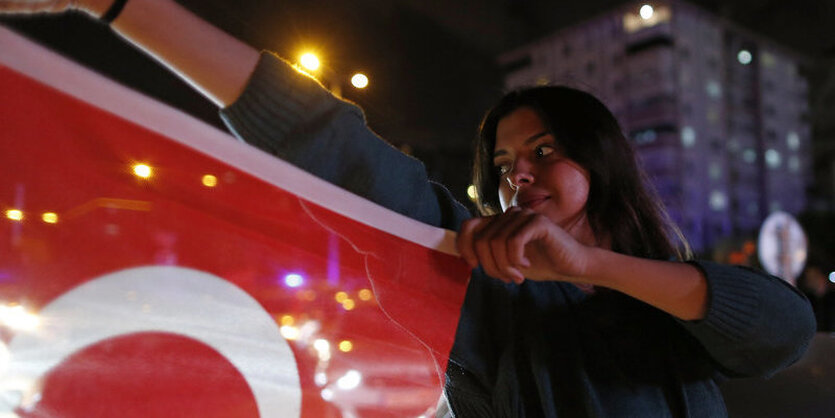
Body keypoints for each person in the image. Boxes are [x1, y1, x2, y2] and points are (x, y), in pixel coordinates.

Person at [1, 1, 817, 416]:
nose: (519, 177)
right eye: (501, 165)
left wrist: (591, 266)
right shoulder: (470, 266)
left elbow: (781, 331)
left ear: (599, 161)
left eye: (543, 153)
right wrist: (126, 9)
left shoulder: (668, 296)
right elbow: (330, 143)